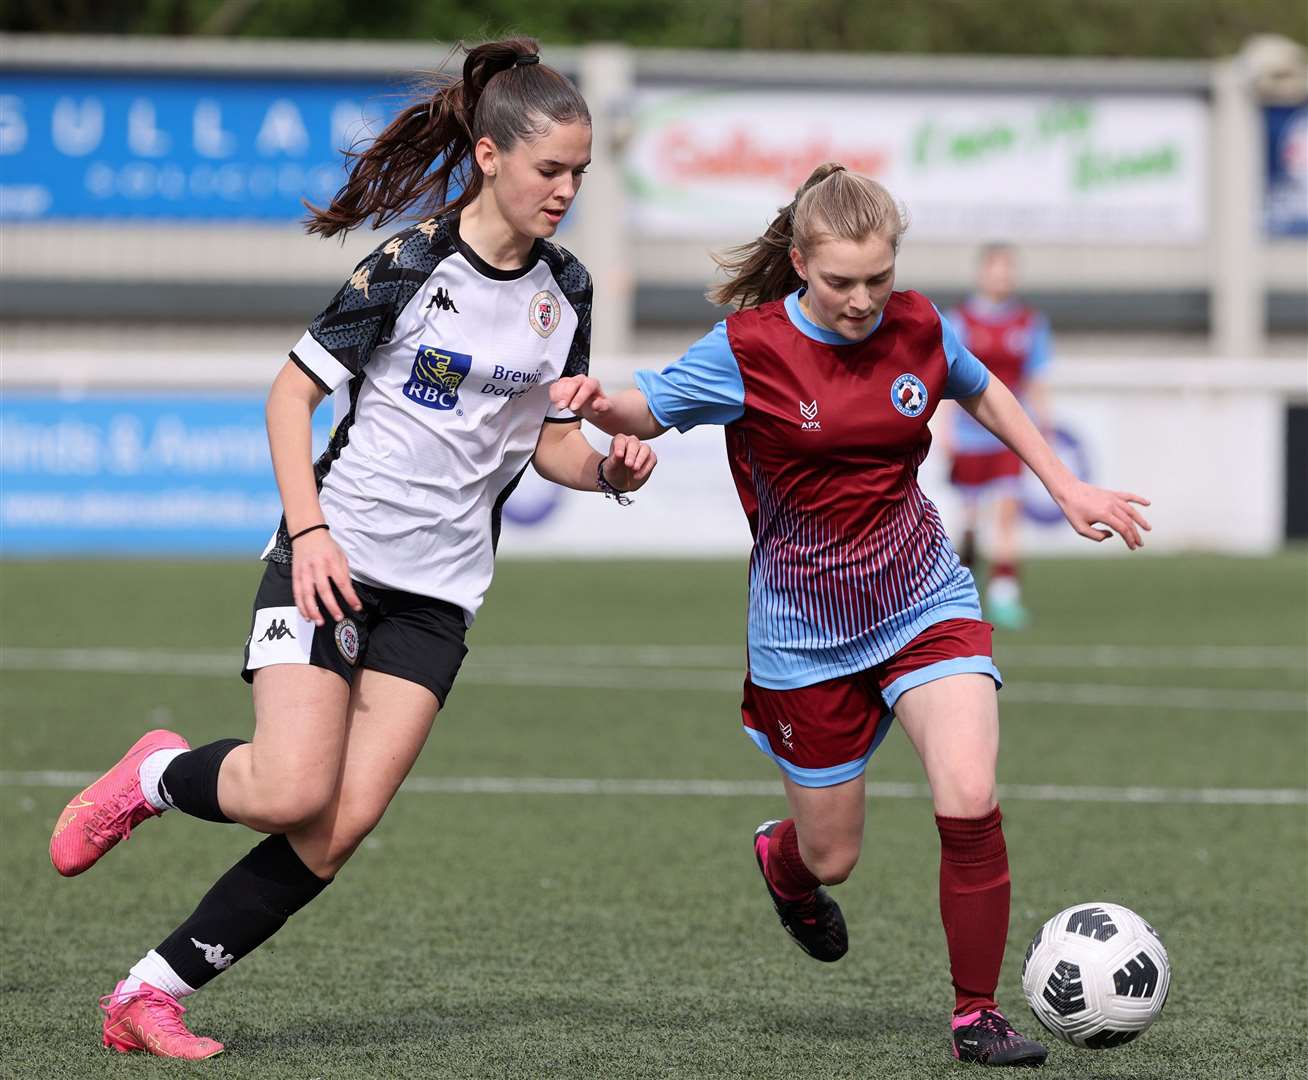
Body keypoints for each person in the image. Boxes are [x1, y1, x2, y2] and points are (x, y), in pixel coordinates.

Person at [48, 37, 656, 1060]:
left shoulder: (571, 291)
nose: (566, 191)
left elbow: (551, 441)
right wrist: (312, 531)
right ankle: (155, 777)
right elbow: (291, 397)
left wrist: (608, 470)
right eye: (551, 170)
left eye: (580, 175)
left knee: (335, 828)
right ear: (493, 156)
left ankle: (144, 997)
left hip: (440, 596)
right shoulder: (411, 263)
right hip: (333, 554)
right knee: (289, 789)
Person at [550, 163, 1150, 1068]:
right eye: (840, 282)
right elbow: (649, 404)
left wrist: (1064, 487)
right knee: (833, 859)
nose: (864, 299)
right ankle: (783, 863)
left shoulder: (919, 323)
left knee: (969, 796)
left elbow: (981, 385)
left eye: (879, 277)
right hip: (802, 632)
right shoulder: (748, 348)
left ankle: (974, 1014)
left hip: (923, 598)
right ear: (798, 263)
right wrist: (600, 404)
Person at [940, 243, 1054, 630]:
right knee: (969, 520)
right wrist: (944, 429)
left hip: (1009, 435)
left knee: (1007, 512)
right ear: (982, 273)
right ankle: (962, 593)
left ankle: (1005, 595)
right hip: (970, 436)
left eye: (1008, 269)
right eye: (996, 269)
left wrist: (1043, 424)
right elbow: (944, 377)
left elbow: (1037, 378)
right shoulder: (959, 320)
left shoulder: (1029, 323)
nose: (1002, 277)